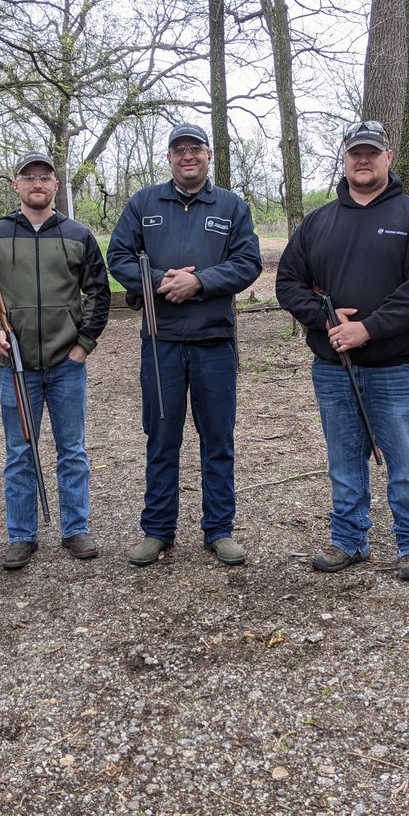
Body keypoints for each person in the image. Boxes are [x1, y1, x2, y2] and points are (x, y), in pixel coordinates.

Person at [276, 120, 409, 581]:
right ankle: (350, 539)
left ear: (388, 158)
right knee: (344, 459)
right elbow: (287, 283)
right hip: (334, 367)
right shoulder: (318, 221)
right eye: (355, 153)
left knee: (406, 461)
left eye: (372, 152)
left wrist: (368, 328)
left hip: (397, 366)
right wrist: (327, 319)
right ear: (345, 159)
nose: (363, 160)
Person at [106, 123, 262, 567]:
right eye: (179, 150)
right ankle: (157, 530)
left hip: (214, 342)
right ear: (169, 157)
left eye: (195, 149)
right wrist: (160, 282)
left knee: (218, 438)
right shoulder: (143, 203)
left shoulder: (232, 206)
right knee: (161, 437)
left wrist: (200, 282)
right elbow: (118, 258)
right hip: (162, 343)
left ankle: (219, 529)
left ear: (209, 155)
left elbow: (248, 262)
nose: (187, 156)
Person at [0, 151, 111, 569]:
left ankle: (75, 529)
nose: (37, 183)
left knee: (72, 450)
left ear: (56, 185)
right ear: (16, 185)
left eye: (45, 177)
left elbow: (100, 292)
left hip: (67, 365)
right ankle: (21, 536)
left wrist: (84, 345)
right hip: (17, 366)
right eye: (29, 177)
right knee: (20, 452)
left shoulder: (79, 235)